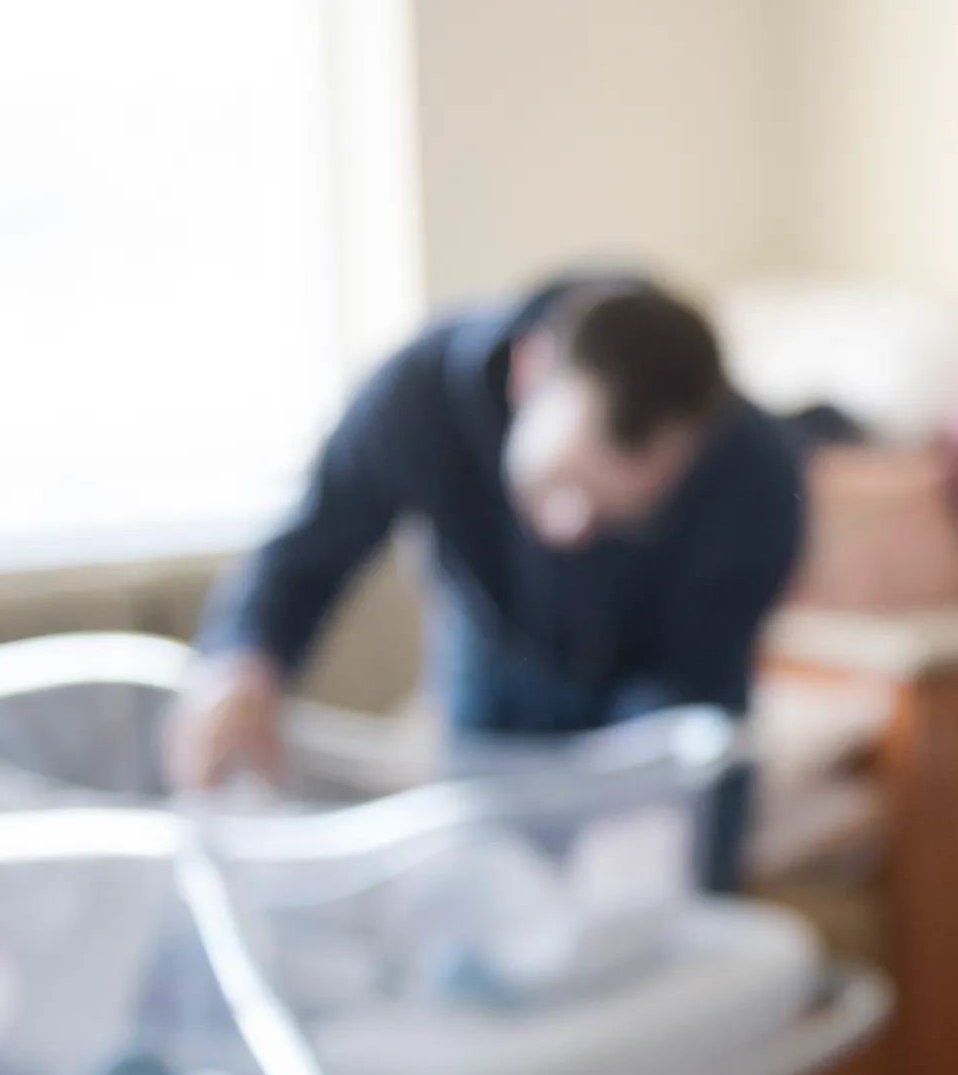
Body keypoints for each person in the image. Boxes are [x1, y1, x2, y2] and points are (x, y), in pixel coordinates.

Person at [172, 271, 842, 889]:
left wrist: (634, 832)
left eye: (618, 514)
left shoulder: (757, 477)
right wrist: (242, 662)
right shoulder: (417, 397)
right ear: (530, 371)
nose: (570, 529)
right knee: (482, 899)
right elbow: (306, 550)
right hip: (495, 664)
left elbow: (694, 694)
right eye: (559, 486)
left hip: (663, 695)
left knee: (662, 923)